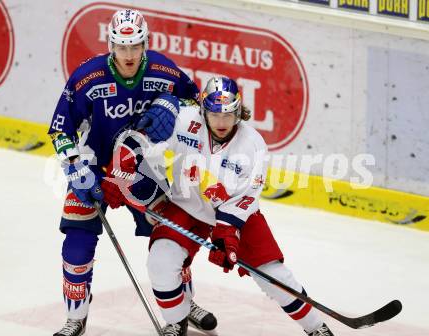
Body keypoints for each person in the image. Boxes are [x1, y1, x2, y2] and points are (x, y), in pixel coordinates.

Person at [111, 77, 336, 335]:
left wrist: (227, 233)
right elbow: (143, 144)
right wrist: (125, 174)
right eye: (215, 114)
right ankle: (177, 320)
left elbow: (248, 195)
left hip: (238, 216)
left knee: (273, 275)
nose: (221, 122)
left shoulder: (252, 143)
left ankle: (316, 328)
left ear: (238, 112)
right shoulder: (185, 122)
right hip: (188, 206)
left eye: (228, 115)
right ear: (203, 110)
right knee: (160, 262)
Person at [48, 9, 216, 336]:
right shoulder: (88, 77)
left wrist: (173, 106)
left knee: (170, 240)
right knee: (77, 246)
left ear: (145, 44)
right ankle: (75, 316)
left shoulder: (164, 70)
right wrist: (75, 168)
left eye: (135, 46)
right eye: (122, 47)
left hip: (145, 172)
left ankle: (183, 306)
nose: (129, 54)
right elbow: (59, 129)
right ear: (111, 44)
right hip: (95, 170)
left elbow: (198, 107)